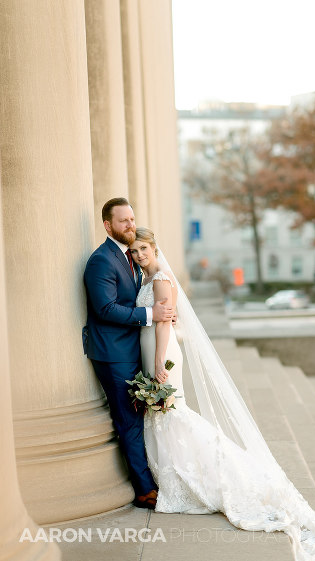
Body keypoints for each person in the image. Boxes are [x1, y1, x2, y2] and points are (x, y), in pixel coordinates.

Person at [129, 227, 315, 561]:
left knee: (172, 411)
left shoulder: (160, 279)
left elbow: (164, 324)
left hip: (162, 351)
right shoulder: (143, 279)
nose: (139, 255)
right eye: (134, 251)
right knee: (163, 413)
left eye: (143, 248)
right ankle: (173, 475)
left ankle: (201, 475)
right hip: (149, 348)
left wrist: (160, 364)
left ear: (154, 247)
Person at [83, 198, 174, 510]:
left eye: (132, 219)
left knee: (140, 415)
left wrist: (166, 314)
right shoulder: (101, 260)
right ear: (108, 226)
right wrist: (151, 314)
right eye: (123, 221)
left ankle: (153, 478)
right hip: (112, 351)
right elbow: (105, 308)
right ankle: (145, 489)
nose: (130, 226)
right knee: (128, 419)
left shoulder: (132, 256)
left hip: (133, 347)